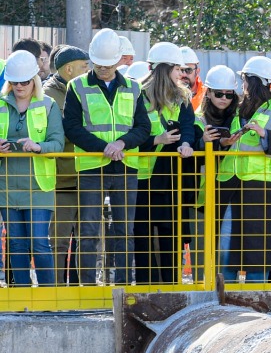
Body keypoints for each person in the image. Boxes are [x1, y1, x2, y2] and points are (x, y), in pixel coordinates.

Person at [62, 28, 152, 285]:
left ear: (119, 60)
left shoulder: (134, 88)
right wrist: (106, 148)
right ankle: (88, 287)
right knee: (88, 231)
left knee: (124, 232)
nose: (103, 69)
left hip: (126, 166)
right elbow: (72, 127)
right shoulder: (76, 86)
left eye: (108, 65)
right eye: (99, 65)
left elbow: (143, 128)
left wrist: (122, 143)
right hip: (92, 167)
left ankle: (122, 287)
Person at [216, 56, 271, 281]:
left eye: (245, 80)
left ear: (254, 82)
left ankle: (257, 304)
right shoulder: (237, 110)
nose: (243, 85)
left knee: (258, 253)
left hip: (261, 190)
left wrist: (265, 134)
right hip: (232, 187)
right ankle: (224, 302)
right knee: (226, 250)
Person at [129, 42, 198, 284]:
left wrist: (186, 144)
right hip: (140, 177)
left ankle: (171, 284)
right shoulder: (135, 94)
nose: (182, 74)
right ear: (164, 69)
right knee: (143, 234)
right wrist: (156, 139)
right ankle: (147, 285)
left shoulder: (182, 97)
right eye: (178, 69)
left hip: (168, 178)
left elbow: (188, 127)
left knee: (171, 233)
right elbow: (129, 133)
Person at [1, 51, 64, 287]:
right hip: (7, 184)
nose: (19, 86)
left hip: (39, 185)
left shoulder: (49, 105)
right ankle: (22, 294)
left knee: (39, 241)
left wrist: (38, 147)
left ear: (34, 80)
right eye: (14, 81)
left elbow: (58, 143)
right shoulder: (0, 104)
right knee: (16, 243)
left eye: (24, 81)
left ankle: (48, 295)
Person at [43, 45, 88, 282]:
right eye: (84, 66)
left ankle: (80, 291)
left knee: (88, 240)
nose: (89, 70)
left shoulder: (85, 89)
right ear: (69, 69)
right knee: (58, 242)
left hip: (87, 177)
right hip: (61, 181)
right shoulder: (48, 95)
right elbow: (61, 133)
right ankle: (57, 292)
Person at [197, 66, 241, 270]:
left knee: (224, 246)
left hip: (229, 191)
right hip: (201, 195)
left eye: (229, 94)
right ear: (208, 93)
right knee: (201, 249)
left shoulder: (238, 119)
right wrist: (204, 142)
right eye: (218, 93)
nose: (224, 98)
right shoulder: (198, 119)